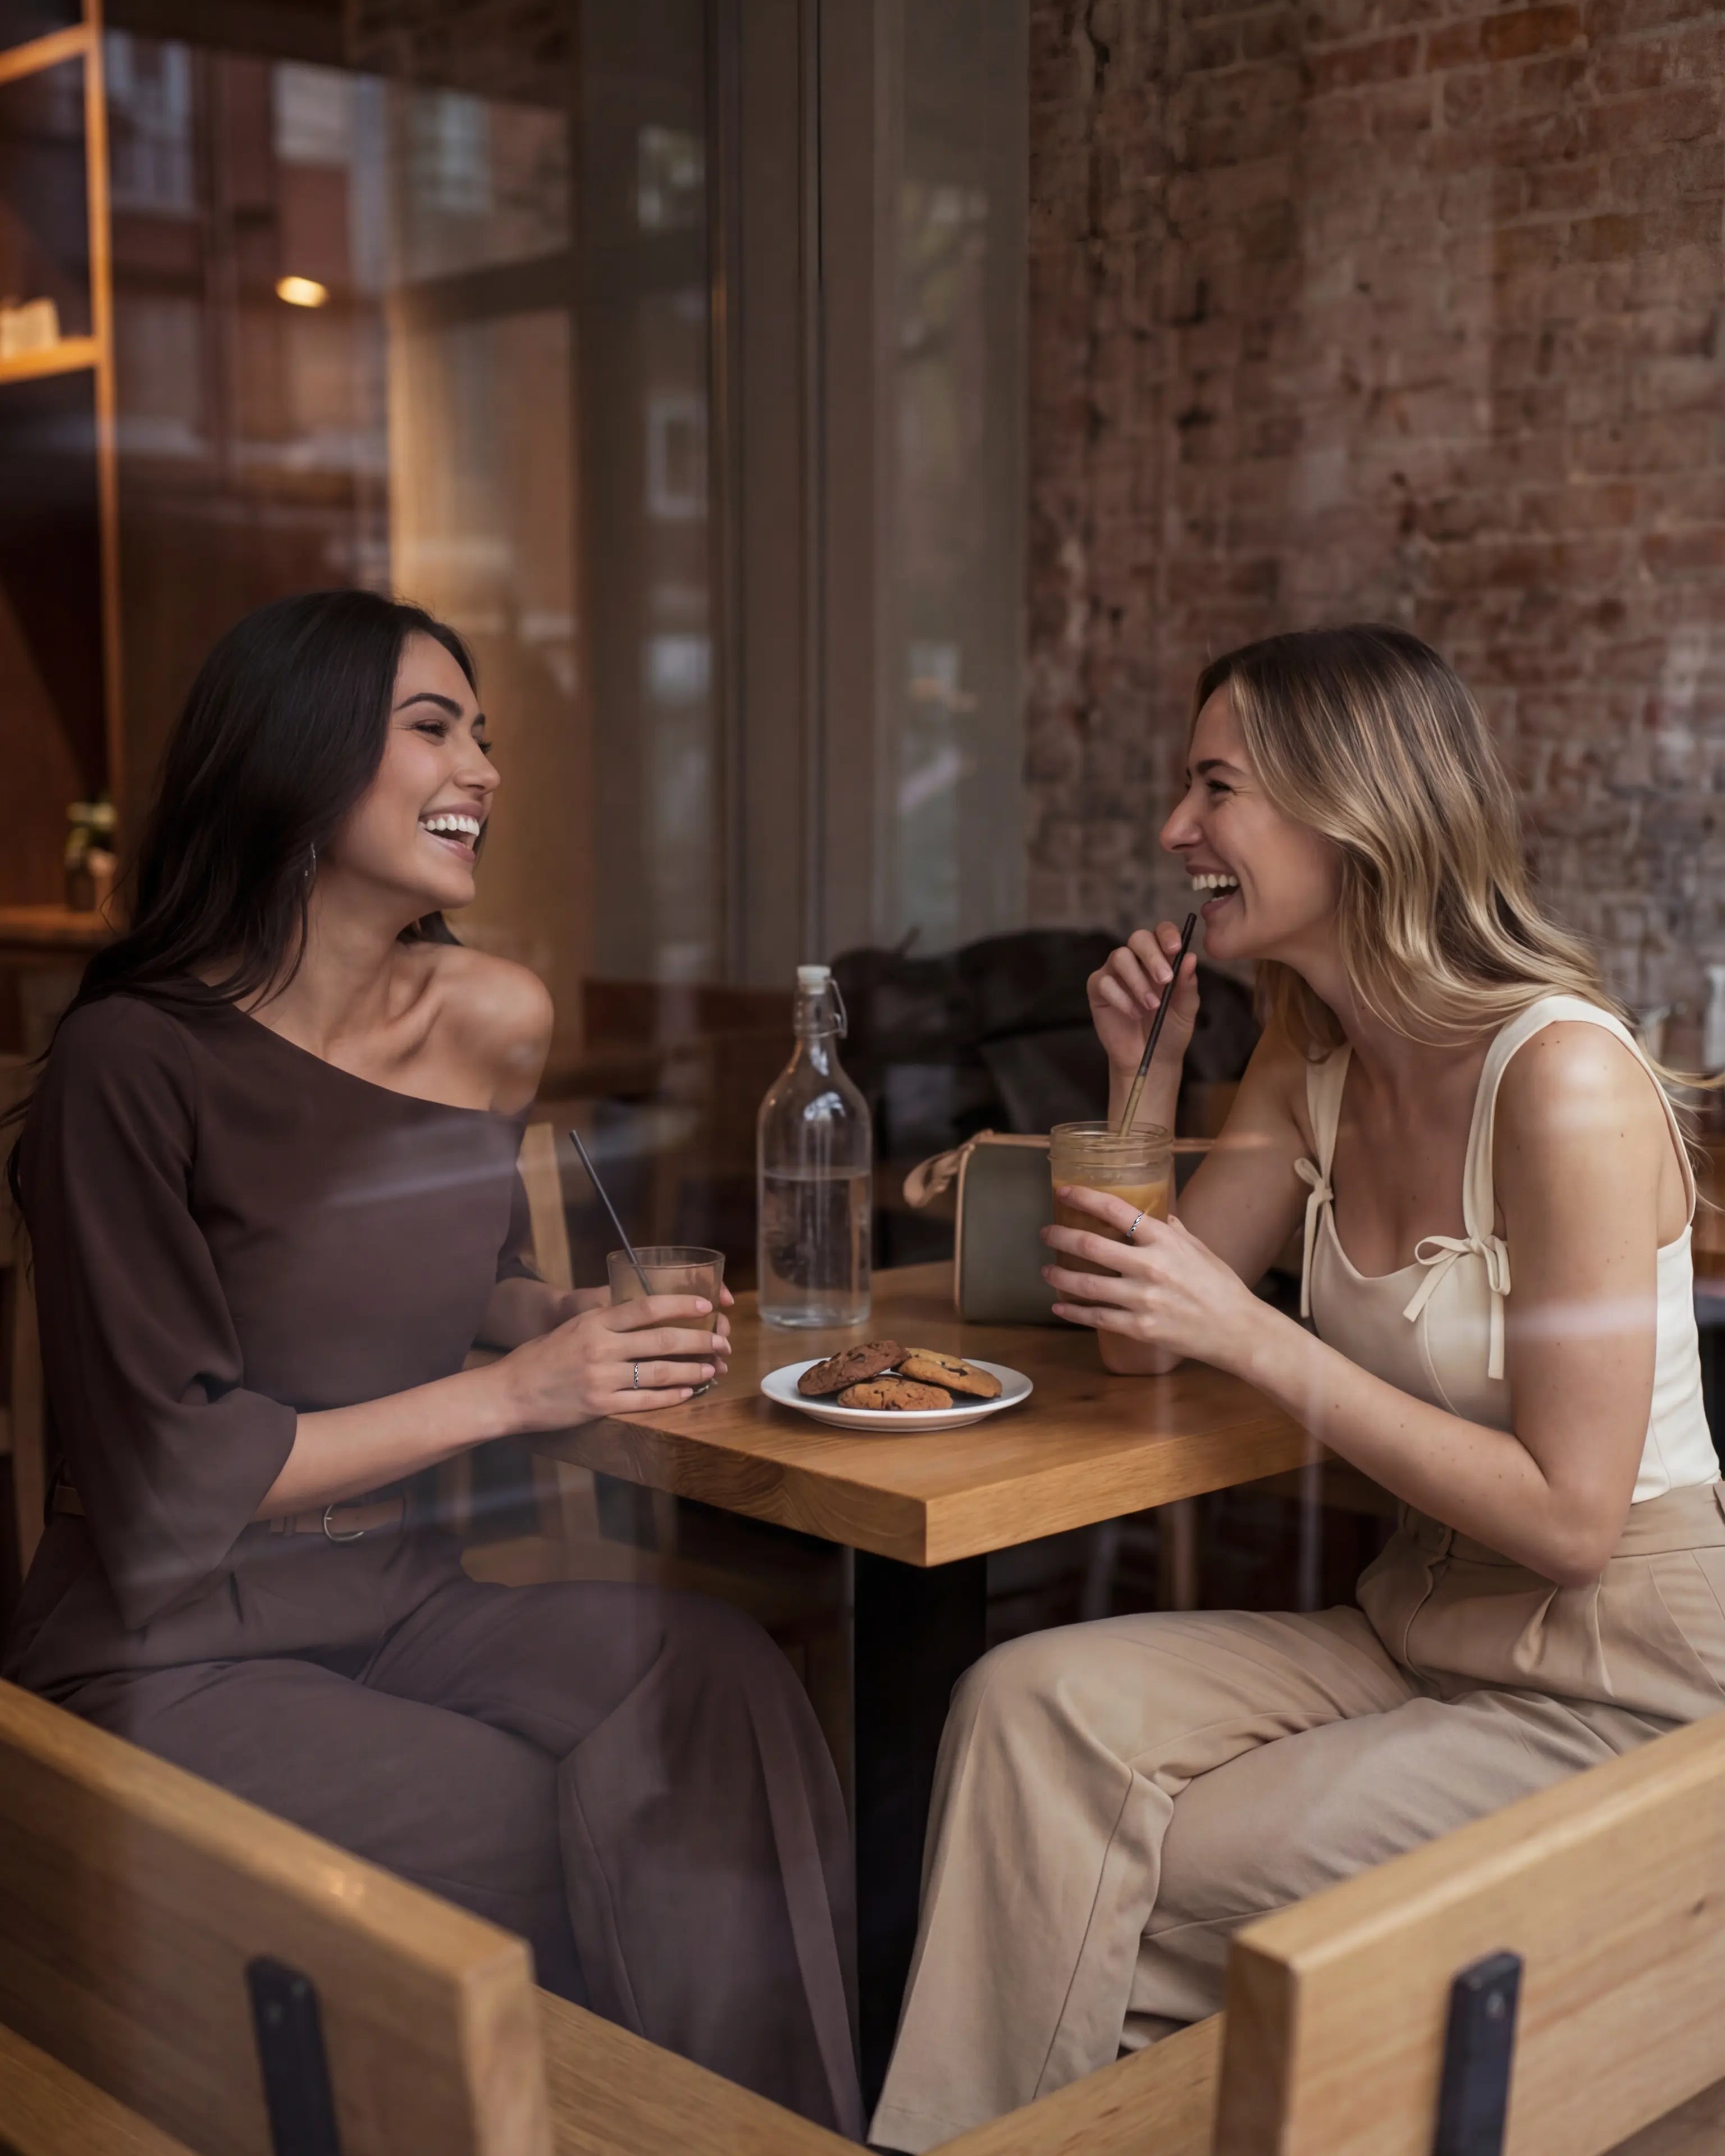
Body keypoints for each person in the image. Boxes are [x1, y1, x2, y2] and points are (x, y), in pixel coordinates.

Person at [3, 590, 861, 2137]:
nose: (483, 766)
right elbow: (169, 1478)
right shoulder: (129, 1065)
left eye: (485, 735)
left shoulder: (488, 1021)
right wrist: (523, 1392)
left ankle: (786, 2136)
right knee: (566, 1825)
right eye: (433, 727)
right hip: (170, 1644)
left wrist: (545, 1323)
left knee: (718, 1687)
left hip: (400, 1592)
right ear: (297, 758)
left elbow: (439, 1274)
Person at [869, 624, 1722, 2152]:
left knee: (1141, 1872)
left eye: (1216, 788)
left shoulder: (1564, 1078)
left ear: (1356, 811)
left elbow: (1577, 1520)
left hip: (1627, 1674)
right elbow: (1143, 1331)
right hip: (1418, 1618)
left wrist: (1259, 1338)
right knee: (1021, 1707)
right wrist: (1145, 1072)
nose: (1174, 832)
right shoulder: (1303, 1057)